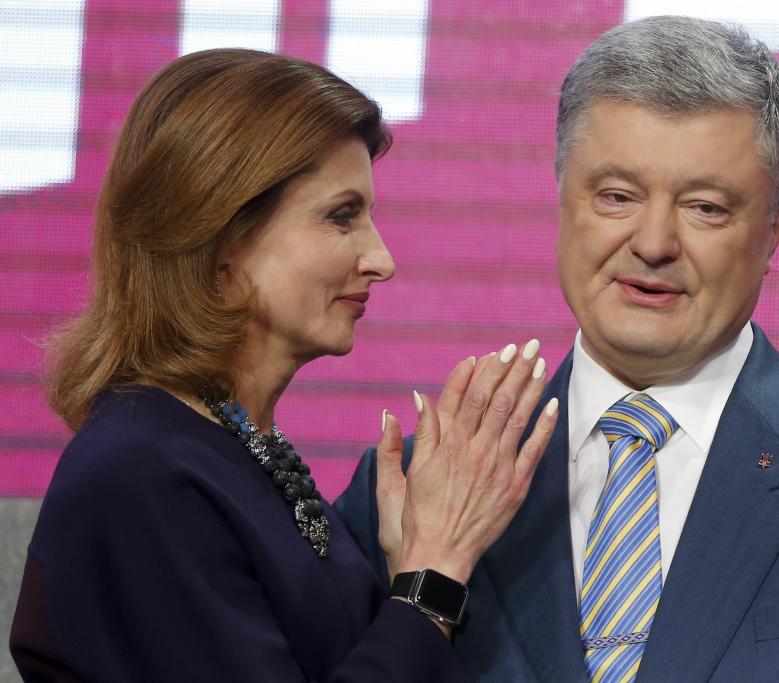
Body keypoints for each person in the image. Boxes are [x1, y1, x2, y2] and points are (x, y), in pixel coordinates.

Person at [337, 16, 779, 682]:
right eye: (616, 196)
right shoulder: (415, 487)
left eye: (705, 207)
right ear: (560, 200)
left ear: (774, 230)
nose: (654, 242)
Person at [9, 48, 560, 682]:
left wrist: (411, 573)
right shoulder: (142, 475)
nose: (381, 259)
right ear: (219, 235)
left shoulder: (231, 450)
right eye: (341, 217)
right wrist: (435, 573)